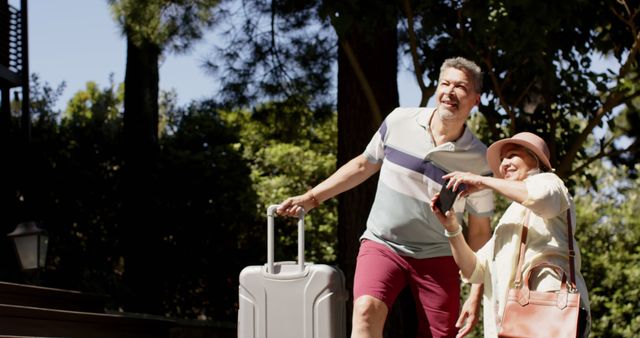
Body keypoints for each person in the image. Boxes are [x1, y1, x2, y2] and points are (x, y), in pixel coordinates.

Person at [277, 57, 494, 338]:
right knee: (365, 310)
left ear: (475, 99)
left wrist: (476, 294)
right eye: (445, 83)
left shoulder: (480, 160)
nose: (450, 92)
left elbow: (480, 233)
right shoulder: (398, 120)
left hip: (438, 256)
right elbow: (362, 165)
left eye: (461, 87)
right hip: (383, 243)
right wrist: (311, 197)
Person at [429, 132, 591, 338]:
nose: (504, 164)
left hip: (547, 308)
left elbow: (539, 198)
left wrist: (482, 181)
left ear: (536, 159)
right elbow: (474, 270)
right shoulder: (509, 218)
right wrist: (452, 228)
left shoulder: (549, 181)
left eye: (512, 155)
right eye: (502, 160)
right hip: (514, 322)